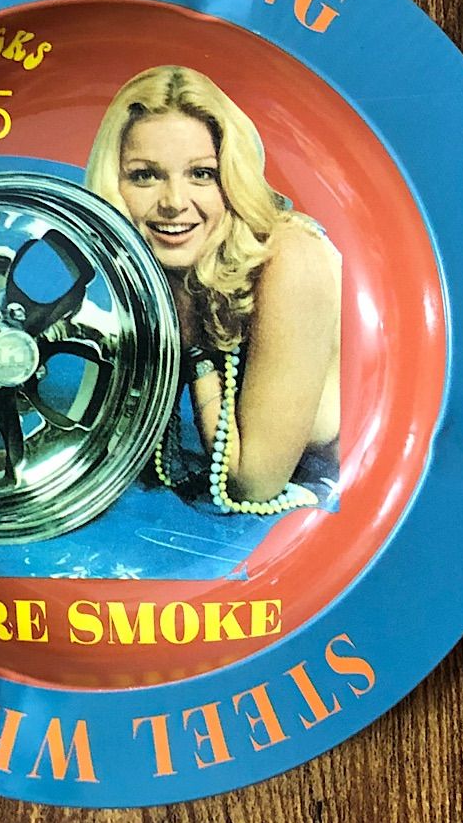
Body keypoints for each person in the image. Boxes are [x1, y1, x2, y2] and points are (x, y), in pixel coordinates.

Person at [85, 65, 341, 514]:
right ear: (114, 185)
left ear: (231, 181)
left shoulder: (292, 257)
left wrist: (193, 348)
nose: (173, 202)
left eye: (201, 174)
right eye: (145, 176)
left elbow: (252, 484)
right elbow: (99, 440)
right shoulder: (161, 265)